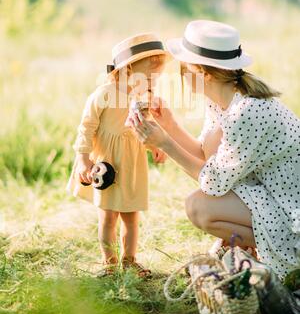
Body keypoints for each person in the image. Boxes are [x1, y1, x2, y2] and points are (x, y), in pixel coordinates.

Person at [130, 19, 300, 280]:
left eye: (183, 67)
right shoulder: (225, 98)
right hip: (270, 194)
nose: (179, 73)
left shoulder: (247, 112)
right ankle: (250, 245)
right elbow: (207, 156)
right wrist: (169, 125)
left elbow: (213, 183)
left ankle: (276, 250)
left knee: (199, 207)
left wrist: (164, 143)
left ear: (203, 73)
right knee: (206, 175)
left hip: (291, 211)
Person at [67, 33, 168, 277]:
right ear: (130, 68)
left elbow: (141, 128)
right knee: (108, 217)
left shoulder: (142, 99)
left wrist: (154, 145)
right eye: (150, 75)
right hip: (108, 163)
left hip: (132, 163)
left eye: (157, 76)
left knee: (132, 217)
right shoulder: (103, 94)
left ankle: (129, 260)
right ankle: (109, 263)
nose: (154, 80)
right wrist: (83, 157)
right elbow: (86, 126)